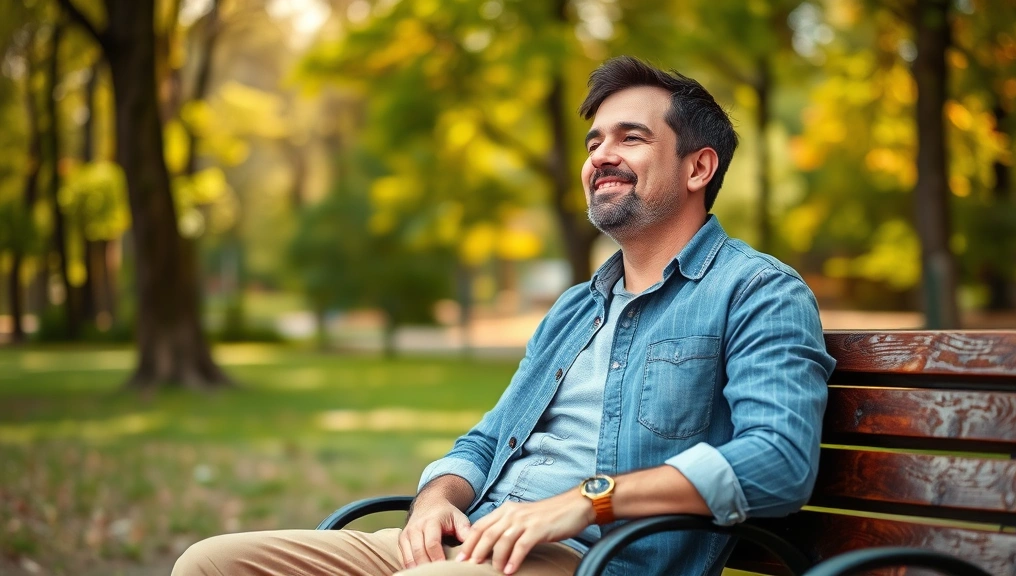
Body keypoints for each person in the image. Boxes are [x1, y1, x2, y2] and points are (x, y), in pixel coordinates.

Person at [172, 55, 835, 576]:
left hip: (597, 559)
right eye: (594, 140)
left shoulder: (757, 291)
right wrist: (436, 501)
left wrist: (586, 500)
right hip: (479, 539)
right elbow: (487, 442)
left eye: (630, 138)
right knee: (209, 564)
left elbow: (777, 461)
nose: (600, 155)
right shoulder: (577, 308)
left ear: (699, 168)